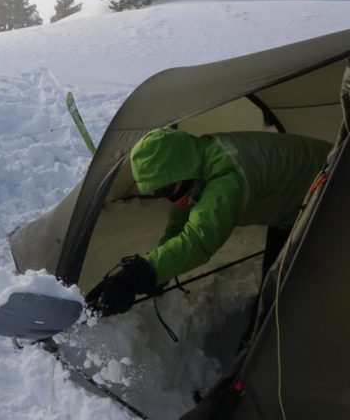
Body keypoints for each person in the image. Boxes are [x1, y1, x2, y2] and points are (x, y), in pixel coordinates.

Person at [86, 128, 332, 317]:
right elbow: (180, 223)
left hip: (334, 194)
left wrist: (137, 276)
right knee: (275, 280)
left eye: (167, 188)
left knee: (288, 294)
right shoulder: (197, 159)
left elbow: (199, 240)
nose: (167, 197)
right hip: (293, 207)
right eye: (158, 193)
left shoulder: (227, 178)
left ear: (182, 171)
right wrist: (157, 271)